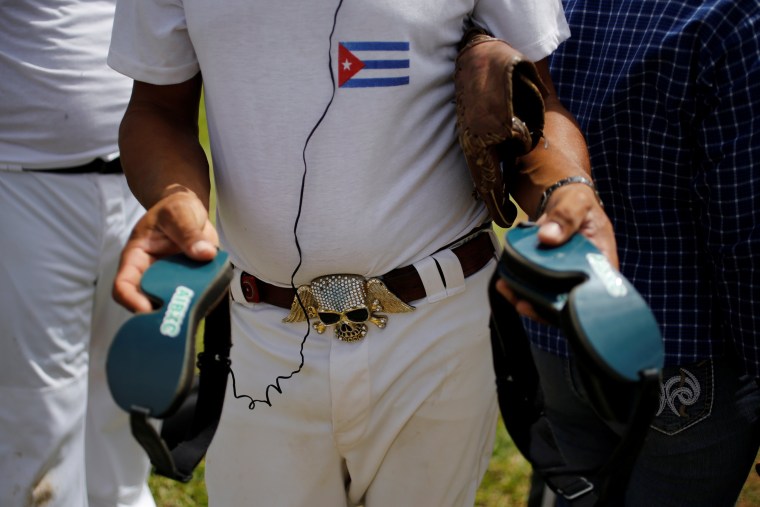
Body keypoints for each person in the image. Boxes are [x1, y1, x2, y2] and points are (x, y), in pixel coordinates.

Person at [107, 1, 615, 505]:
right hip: (260, 332)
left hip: (437, 326)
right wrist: (175, 197)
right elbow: (158, 108)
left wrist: (567, 189)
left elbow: (537, 102)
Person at [497, 0, 760, 505]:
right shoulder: (733, 17)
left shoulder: (554, 4)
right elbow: (744, 236)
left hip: (557, 324)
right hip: (679, 362)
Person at [0, 2, 155, 506]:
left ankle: (126, 498)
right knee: (37, 407)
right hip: (24, 178)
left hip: (141, 179)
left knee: (132, 381)